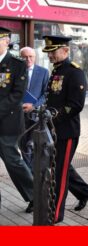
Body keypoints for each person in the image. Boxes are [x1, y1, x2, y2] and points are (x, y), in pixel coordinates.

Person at [42, 35, 88, 223]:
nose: (50, 56)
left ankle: (55, 214)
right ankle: (85, 191)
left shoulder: (74, 72)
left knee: (58, 174)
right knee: (61, 167)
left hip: (66, 131)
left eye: (53, 52)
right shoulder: (56, 71)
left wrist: (53, 115)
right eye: (48, 53)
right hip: (53, 130)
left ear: (65, 50)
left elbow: (75, 104)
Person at [0, 27, 34, 213]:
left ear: (6, 41)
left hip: (9, 122)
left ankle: (36, 195)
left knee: (12, 161)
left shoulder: (17, 63)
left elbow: (17, 95)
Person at [19, 46, 49, 169]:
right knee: (23, 145)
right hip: (18, 115)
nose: (28, 59)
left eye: (30, 56)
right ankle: (29, 171)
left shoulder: (43, 72)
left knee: (33, 144)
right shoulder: (16, 72)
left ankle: (32, 171)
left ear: (35, 57)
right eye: (25, 57)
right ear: (20, 58)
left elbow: (46, 93)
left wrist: (34, 105)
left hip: (35, 115)